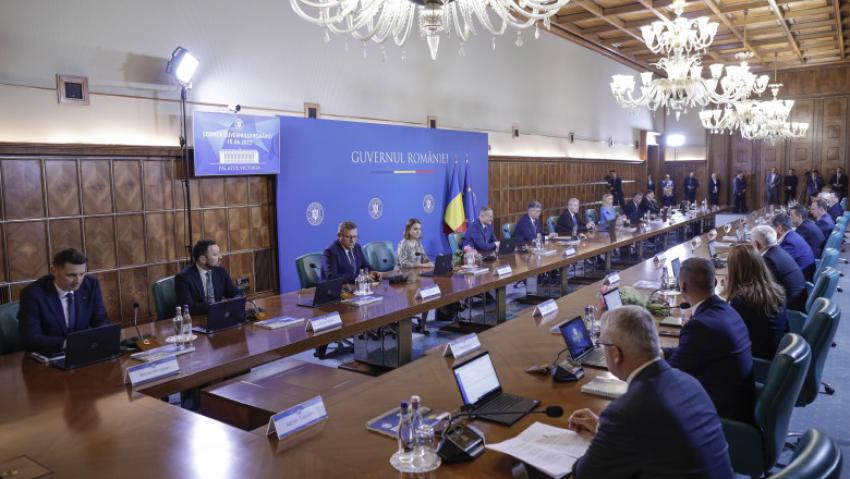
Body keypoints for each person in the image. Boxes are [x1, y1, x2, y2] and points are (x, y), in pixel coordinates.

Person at [568, 306, 733, 479]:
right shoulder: (689, 382)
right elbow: (661, 439)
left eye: (602, 345)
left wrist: (607, 434)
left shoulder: (625, 412)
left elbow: (584, 474)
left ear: (615, 354)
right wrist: (604, 429)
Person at [662, 258, 755, 423]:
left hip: (722, 416)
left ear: (682, 286)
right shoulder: (726, 309)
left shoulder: (700, 326)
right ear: (714, 282)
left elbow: (668, 376)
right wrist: (662, 352)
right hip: (741, 402)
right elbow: (691, 353)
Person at [18, 248, 112, 355]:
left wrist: (99, 337)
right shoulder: (33, 294)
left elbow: (101, 320)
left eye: (82, 274)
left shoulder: (90, 284)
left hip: (84, 352)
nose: (78, 280)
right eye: (71, 275)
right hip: (50, 355)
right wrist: (68, 343)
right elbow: (30, 338)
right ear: (54, 271)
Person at [722, 243, 789, 360]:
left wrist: (729, 292)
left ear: (735, 270)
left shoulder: (742, 300)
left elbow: (730, 336)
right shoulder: (775, 289)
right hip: (775, 351)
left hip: (757, 360)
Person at [175, 239, 242, 316]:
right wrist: (219, 306)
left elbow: (236, 293)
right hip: (197, 319)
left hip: (219, 316)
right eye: (215, 255)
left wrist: (236, 300)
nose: (221, 257)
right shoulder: (183, 277)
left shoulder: (221, 272)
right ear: (202, 259)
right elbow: (188, 308)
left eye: (219, 253)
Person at [750, 225, 808, 312]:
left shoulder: (768, 260)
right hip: (800, 297)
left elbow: (763, 287)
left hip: (792, 305)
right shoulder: (777, 250)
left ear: (756, 244)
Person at [397, 218, 435, 333]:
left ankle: (423, 323)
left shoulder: (418, 243)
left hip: (418, 276)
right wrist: (422, 265)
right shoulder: (404, 243)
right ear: (408, 230)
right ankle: (406, 326)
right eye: (415, 229)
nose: (418, 231)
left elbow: (424, 258)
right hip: (406, 279)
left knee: (427, 296)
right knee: (414, 298)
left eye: (420, 229)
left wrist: (430, 263)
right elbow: (403, 263)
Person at [771, 212, 816, 281]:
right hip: (805, 273)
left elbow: (779, 266)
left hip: (802, 279)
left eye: (772, 227)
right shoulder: (792, 235)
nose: (770, 231)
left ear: (779, 228)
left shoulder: (789, 242)